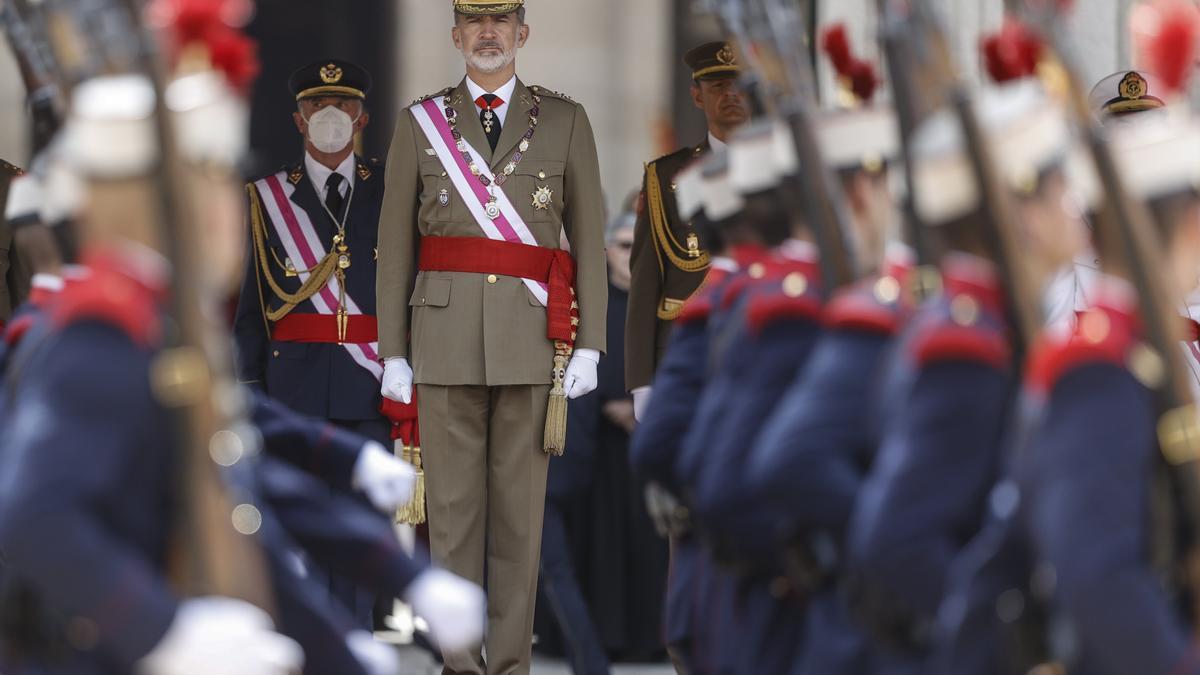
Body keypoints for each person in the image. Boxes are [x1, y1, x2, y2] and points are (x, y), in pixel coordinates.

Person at [375, 0, 607, 672]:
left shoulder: (565, 120)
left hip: (532, 343)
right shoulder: (419, 123)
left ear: (521, 34)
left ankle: (508, 666)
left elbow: (588, 239)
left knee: (519, 525)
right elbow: (396, 245)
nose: (487, 33)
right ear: (455, 35)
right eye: (475, 23)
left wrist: (590, 341)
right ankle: (459, 664)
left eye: (500, 22)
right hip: (442, 342)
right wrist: (393, 351)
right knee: (450, 522)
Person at [234, 58, 391, 447]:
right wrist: (250, 389)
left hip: (371, 388)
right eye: (317, 106)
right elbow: (251, 307)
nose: (330, 114)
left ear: (362, 120)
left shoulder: (393, 189)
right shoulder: (266, 198)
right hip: (292, 390)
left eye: (342, 103)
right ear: (299, 121)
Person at [625, 41, 748, 420]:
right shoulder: (666, 175)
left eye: (738, 86)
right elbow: (646, 280)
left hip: (755, 343)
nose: (729, 96)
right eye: (717, 87)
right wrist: (641, 381)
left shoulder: (786, 169)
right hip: (682, 352)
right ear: (697, 95)